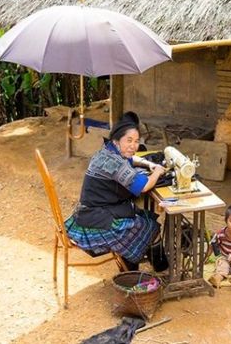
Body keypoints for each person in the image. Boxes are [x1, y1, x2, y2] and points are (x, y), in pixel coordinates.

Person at [64, 111, 168, 272]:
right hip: (95, 222)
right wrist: (158, 171)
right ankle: (143, 271)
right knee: (147, 224)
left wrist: (148, 164)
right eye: (129, 141)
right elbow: (144, 186)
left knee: (141, 215)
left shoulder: (108, 150)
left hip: (90, 212)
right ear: (117, 140)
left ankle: (136, 269)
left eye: (136, 141)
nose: (134, 146)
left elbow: (132, 158)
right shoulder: (115, 163)